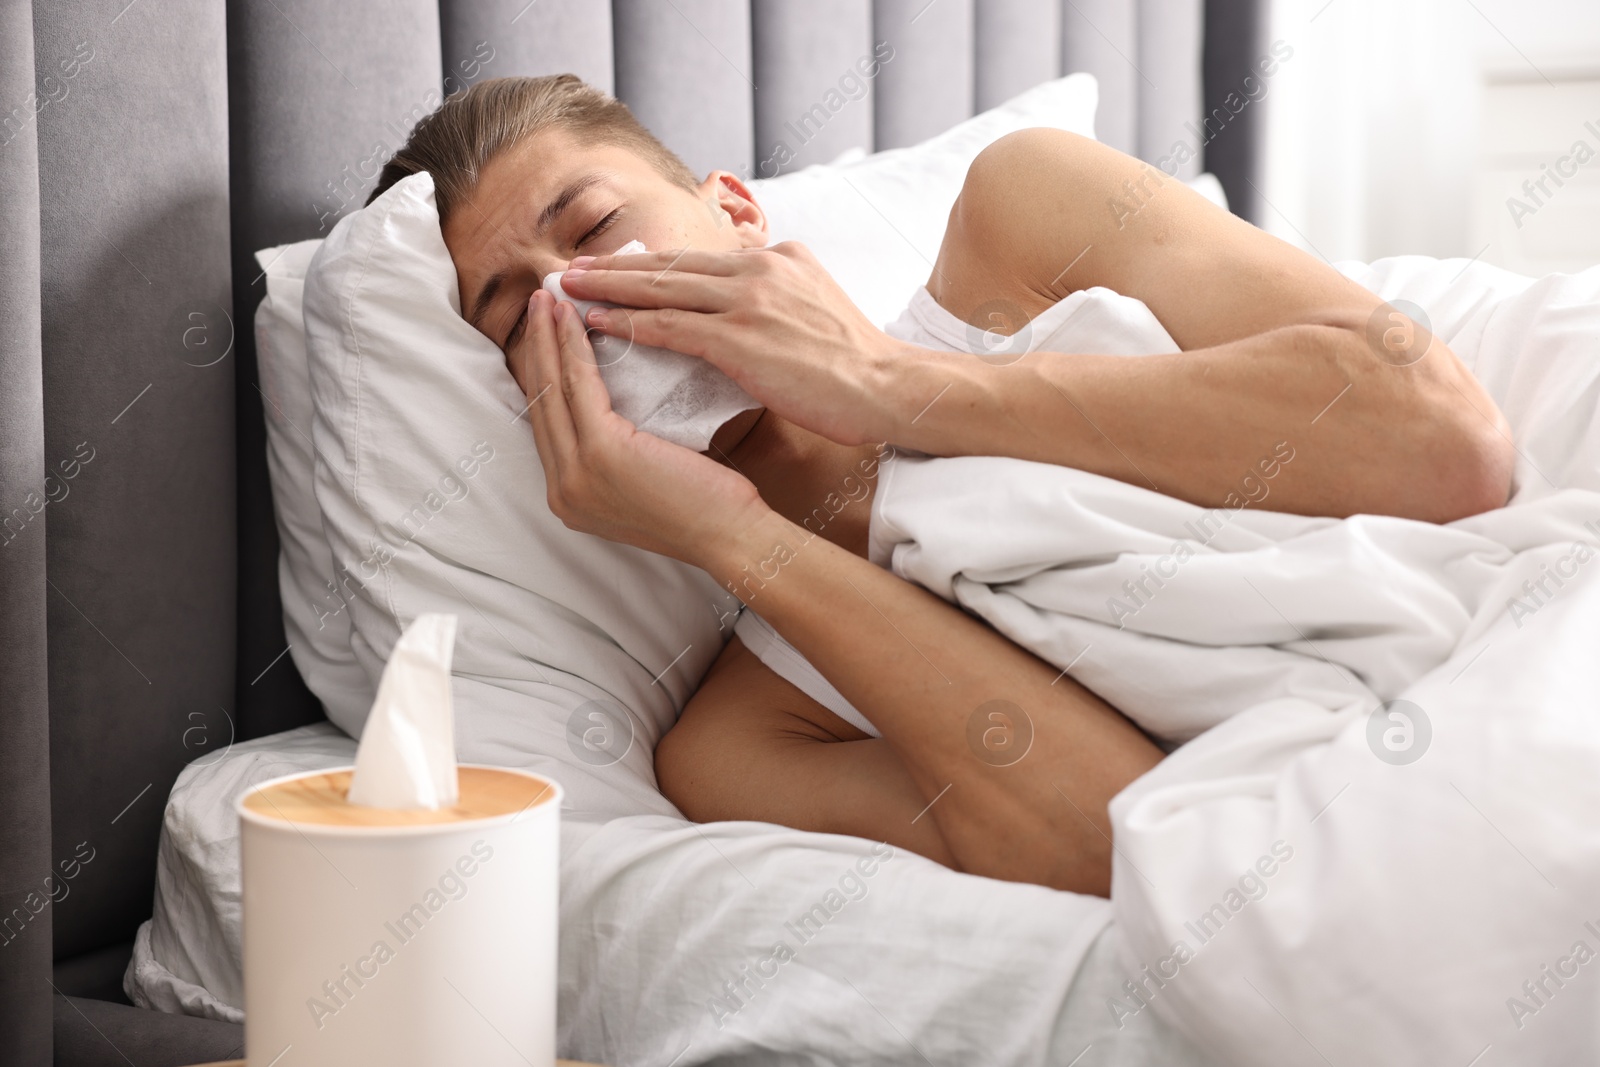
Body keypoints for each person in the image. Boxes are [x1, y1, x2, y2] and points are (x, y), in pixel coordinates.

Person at [370, 75, 1514, 897]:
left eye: (597, 227)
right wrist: (740, 542)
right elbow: (1130, 848)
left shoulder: (1027, 215)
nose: (575, 295)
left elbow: (1448, 447)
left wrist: (889, 386)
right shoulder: (742, 742)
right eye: (519, 318)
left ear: (736, 210)